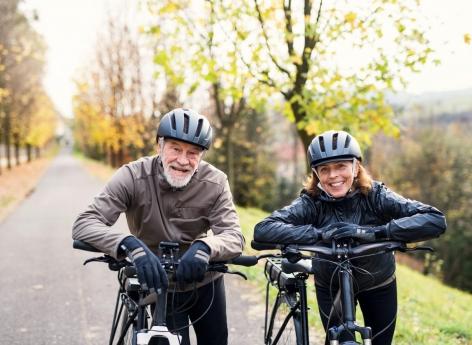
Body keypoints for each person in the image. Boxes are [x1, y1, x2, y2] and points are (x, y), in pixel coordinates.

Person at [253, 130, 446, 345]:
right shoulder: (311, 202)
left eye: (341, 166)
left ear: (356, 167)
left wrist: (376, 232)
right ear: (316, 174)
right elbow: (263, 229)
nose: (333, 175)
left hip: (378, 282)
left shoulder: (375, 195)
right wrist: (319, 234)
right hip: (331, 284)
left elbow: (434, 219)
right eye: (324, 169)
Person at [72, 108, 244, 345]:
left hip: (204, 280)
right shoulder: (132, 176)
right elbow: (84, 223)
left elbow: (234, 235)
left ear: (202, 156)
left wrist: (206, 246)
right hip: (157, 280)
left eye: (193, 153)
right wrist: (129, 245)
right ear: (159, 146)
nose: (183, 160)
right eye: (175, 149)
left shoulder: (215, 182)